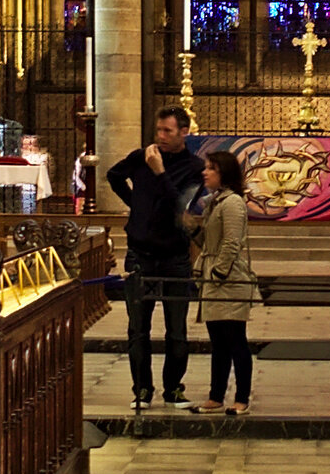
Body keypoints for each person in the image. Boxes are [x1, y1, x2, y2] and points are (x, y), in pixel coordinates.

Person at [105, 108, 204, 411]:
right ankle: (142, 390)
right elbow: (113, 175)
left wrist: (160, 172)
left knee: (177, 330)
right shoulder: (141, 157)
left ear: (184, 132)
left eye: (168, 132)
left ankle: (173, 388)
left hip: (174, 255)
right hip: (141, 254)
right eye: (158, 130)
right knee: (138, 329)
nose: (160, 137)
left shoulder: (194, 167)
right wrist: (136, 204)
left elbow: (180, 205)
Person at [192, 149, 261, 414]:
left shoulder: (232, 203)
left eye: (211, 168)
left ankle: (241, 398)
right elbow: (212, 242)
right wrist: (193, 229)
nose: (205, 172)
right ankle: (216, 395)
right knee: (218, 342)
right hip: (214, 278)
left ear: (224, 174)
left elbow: (232, 242)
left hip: (228, 280)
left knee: (235, 340)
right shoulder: (215, 202)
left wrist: (219, 273)